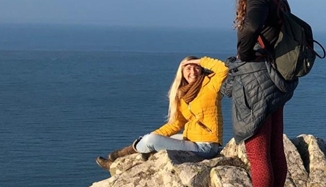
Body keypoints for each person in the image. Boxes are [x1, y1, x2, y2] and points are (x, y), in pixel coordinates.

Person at [222, 0, 297, 187]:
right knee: (274, 149)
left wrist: (243, 53)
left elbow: (251, 27)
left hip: (257, 79)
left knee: (257, 152)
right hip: (276, 78)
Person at [95, 56, 228, 169]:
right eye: (188, 68)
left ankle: (120, 156)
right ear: (181, 73)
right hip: (192, 140)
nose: (192, 71)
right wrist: (153, 136)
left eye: (196, 68)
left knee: (151, 141)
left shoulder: (210, 85)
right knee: (155, 139)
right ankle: (127, 157)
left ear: (201, 69)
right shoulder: (182, 94)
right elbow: (176, 124)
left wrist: (199, 60)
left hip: (206, 147)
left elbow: (223, 68)